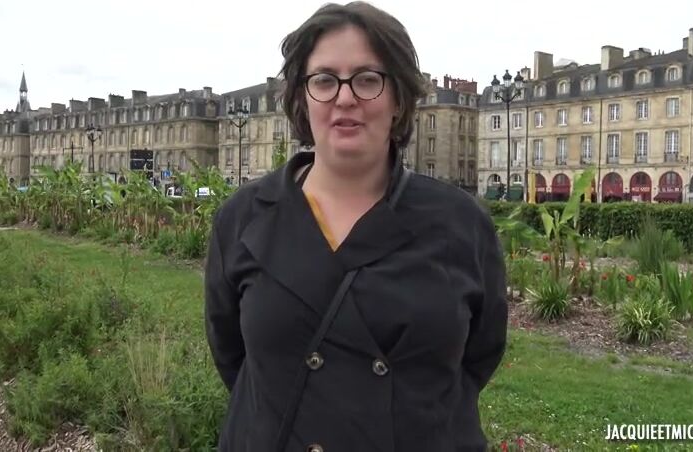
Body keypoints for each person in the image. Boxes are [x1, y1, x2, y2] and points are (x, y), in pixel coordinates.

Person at [204, 2, 508, 451]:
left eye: (367, 79)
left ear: (398, 98)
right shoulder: (243, 217)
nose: (344, 97)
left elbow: (481, 354)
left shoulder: (460, 223)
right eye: (324, 80)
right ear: (303, 98)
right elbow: (233, 355)